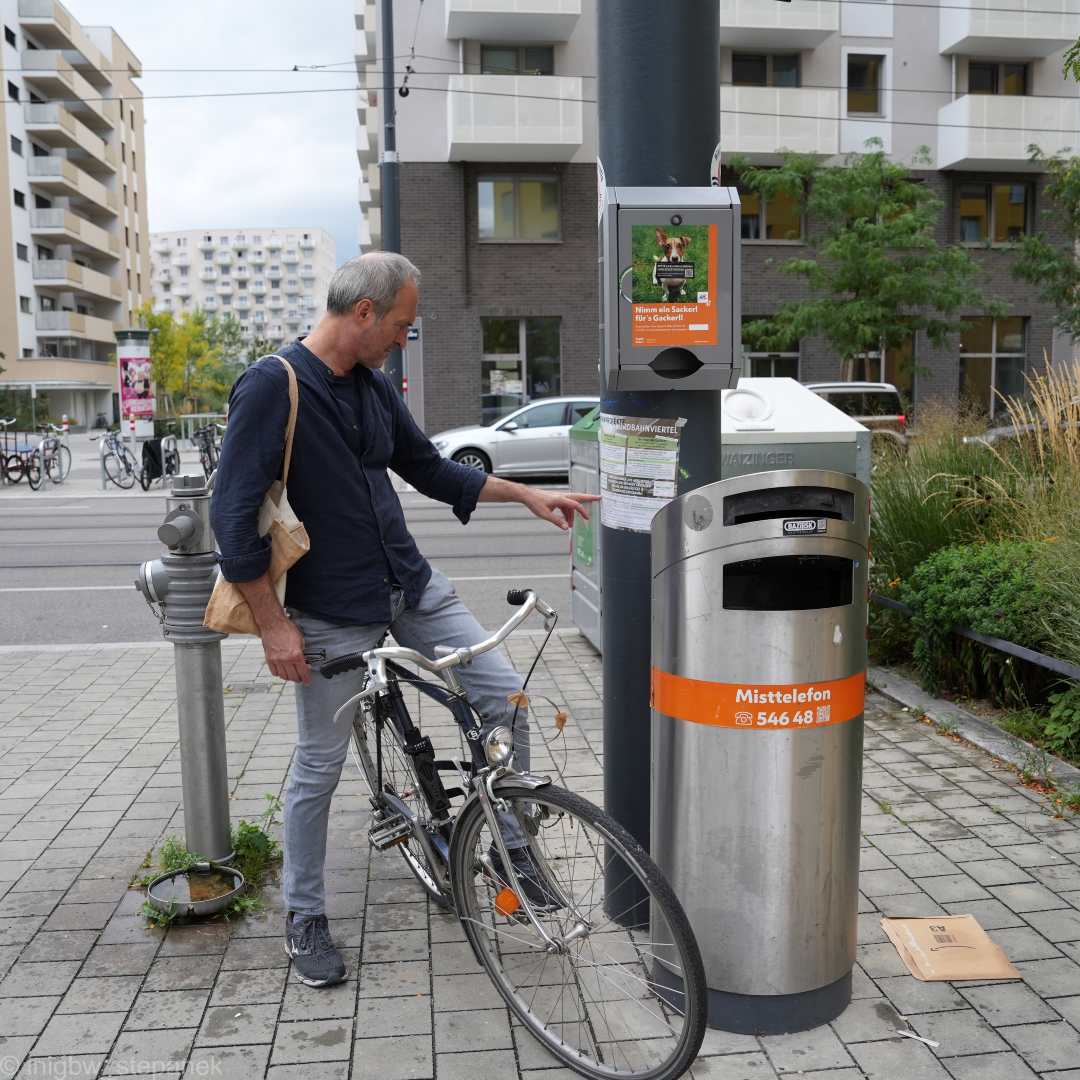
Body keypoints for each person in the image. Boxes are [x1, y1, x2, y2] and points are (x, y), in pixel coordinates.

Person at [210, 252, 598, 988]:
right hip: (329, 612)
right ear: (363, 312)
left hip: (411, 588)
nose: (402, 339)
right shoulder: (273, 385)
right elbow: (232, 521)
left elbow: (429, 467)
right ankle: (304, 914)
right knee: (318, 766)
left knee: (505, 699)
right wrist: (274, 626)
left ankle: (510, 853)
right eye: (400, 325)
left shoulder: (374, 386)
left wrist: (524, 493)